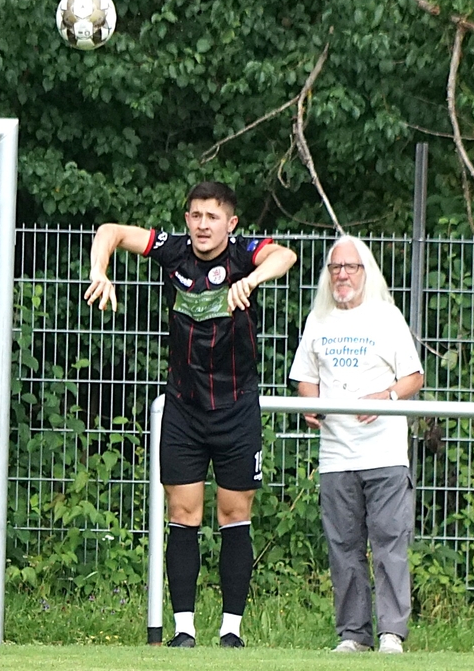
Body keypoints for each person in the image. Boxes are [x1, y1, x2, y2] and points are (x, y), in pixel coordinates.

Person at [85, 181, 297, 648]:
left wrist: (251, 281)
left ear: (231, 223)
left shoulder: (245, 254)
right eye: (196, 215)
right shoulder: (173, 251)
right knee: (183, 512)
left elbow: (286, 255)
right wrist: (100, 270)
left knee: (234, 512)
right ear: (187, 220)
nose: (203, 225)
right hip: (184, 407)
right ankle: (183, 630)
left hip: (236, 407)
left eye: (213, 217)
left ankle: (231, 632)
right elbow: (110, 231)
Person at [288, 235, 424, 654]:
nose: (342, 275)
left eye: (350, 267)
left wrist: (387, 397)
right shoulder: (319, 320)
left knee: (389, 543)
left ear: (366, 271)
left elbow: (414, 376)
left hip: (384, 453)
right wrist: (310, 404)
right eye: (335, 268)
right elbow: (304, 377)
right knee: (343, 547)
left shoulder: (387, 317)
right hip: (336, 455)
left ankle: (391, 633)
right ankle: (353, 634)